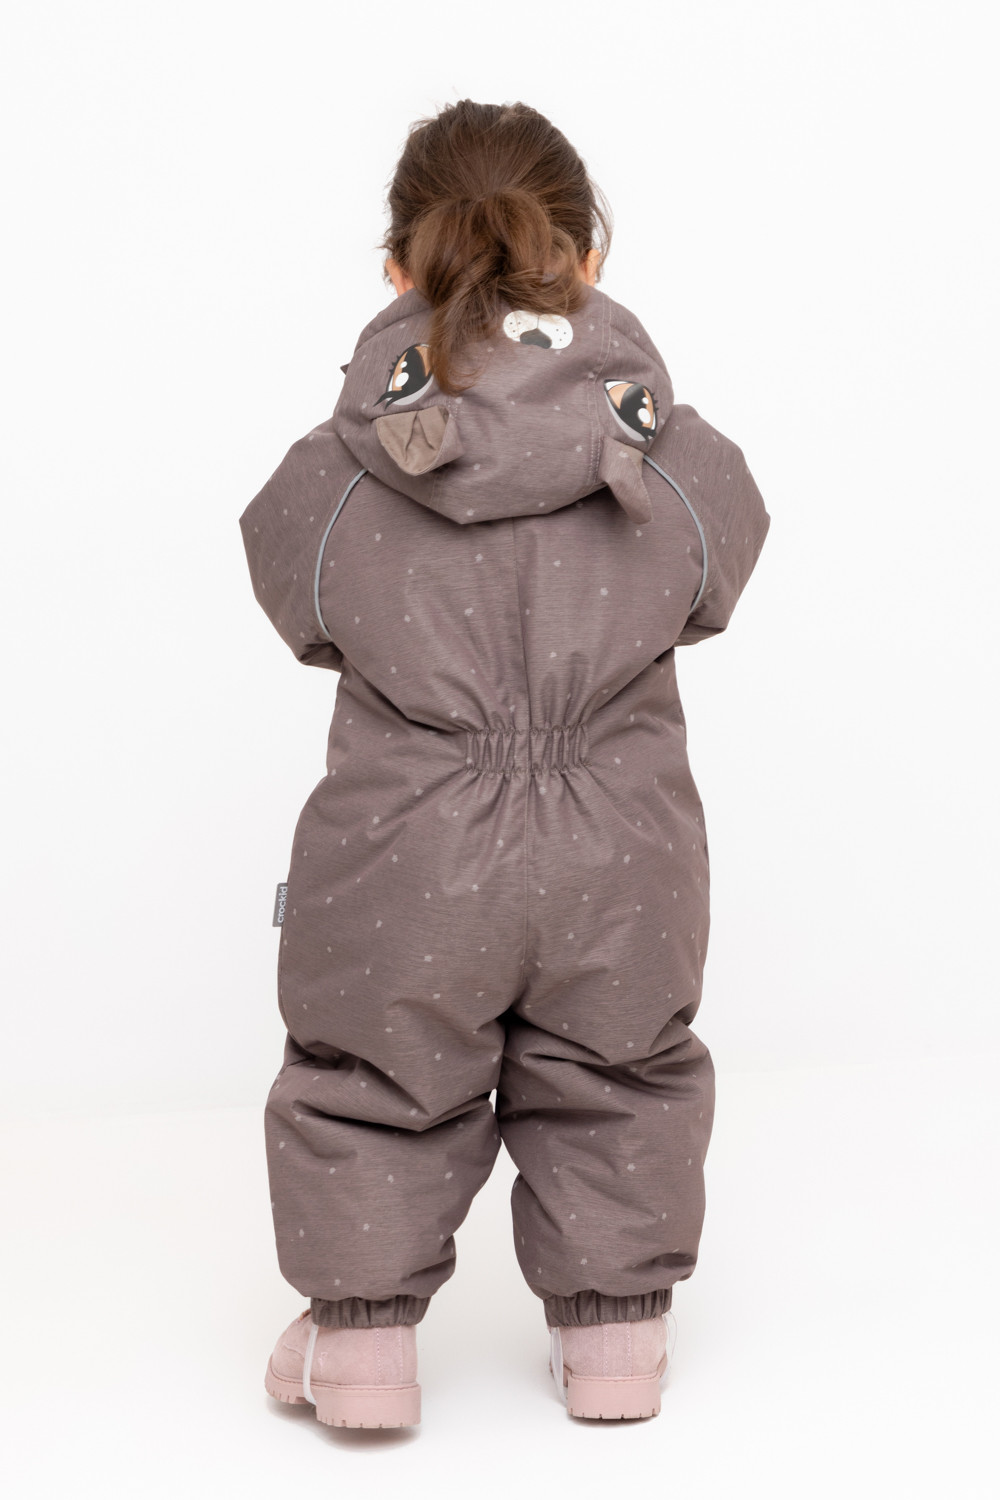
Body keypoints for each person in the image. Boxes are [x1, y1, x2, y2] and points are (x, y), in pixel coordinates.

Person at [239, 98, 771, 1429]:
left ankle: (362, 1354)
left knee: (373, 1075)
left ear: (398, 269)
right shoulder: (677, 459)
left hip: (408, 836)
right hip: (623, 836)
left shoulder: (335, 475)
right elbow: (719, 576)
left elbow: (300, 605)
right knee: (619, 1067)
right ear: (586, 255)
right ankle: (615, 1346)